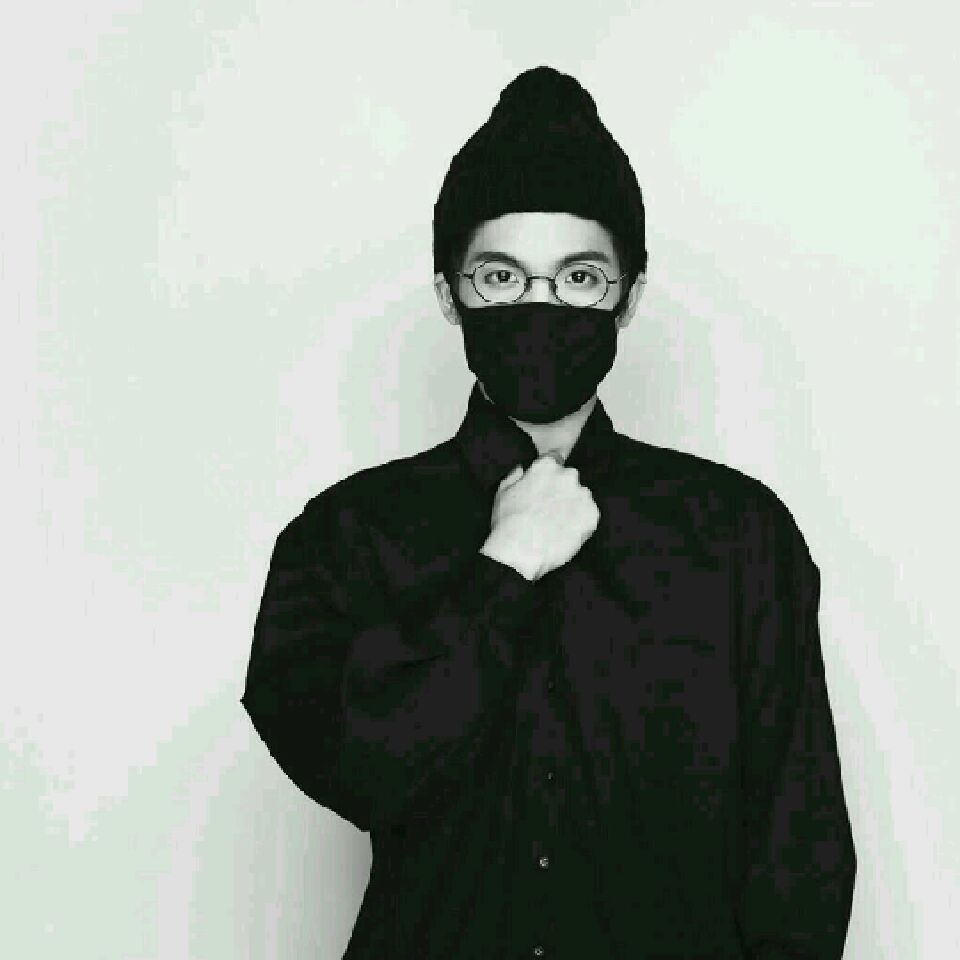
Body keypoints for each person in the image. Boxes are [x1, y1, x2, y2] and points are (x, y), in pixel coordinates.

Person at [240, 65, 857, 959]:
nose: (540, 307)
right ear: (449, 294)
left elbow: (799, 850)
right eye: (502, 277)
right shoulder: (346, 535)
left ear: (629, 298)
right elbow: (358, 769)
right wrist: (504, 569)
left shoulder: (738, 533)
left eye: (579, 277)